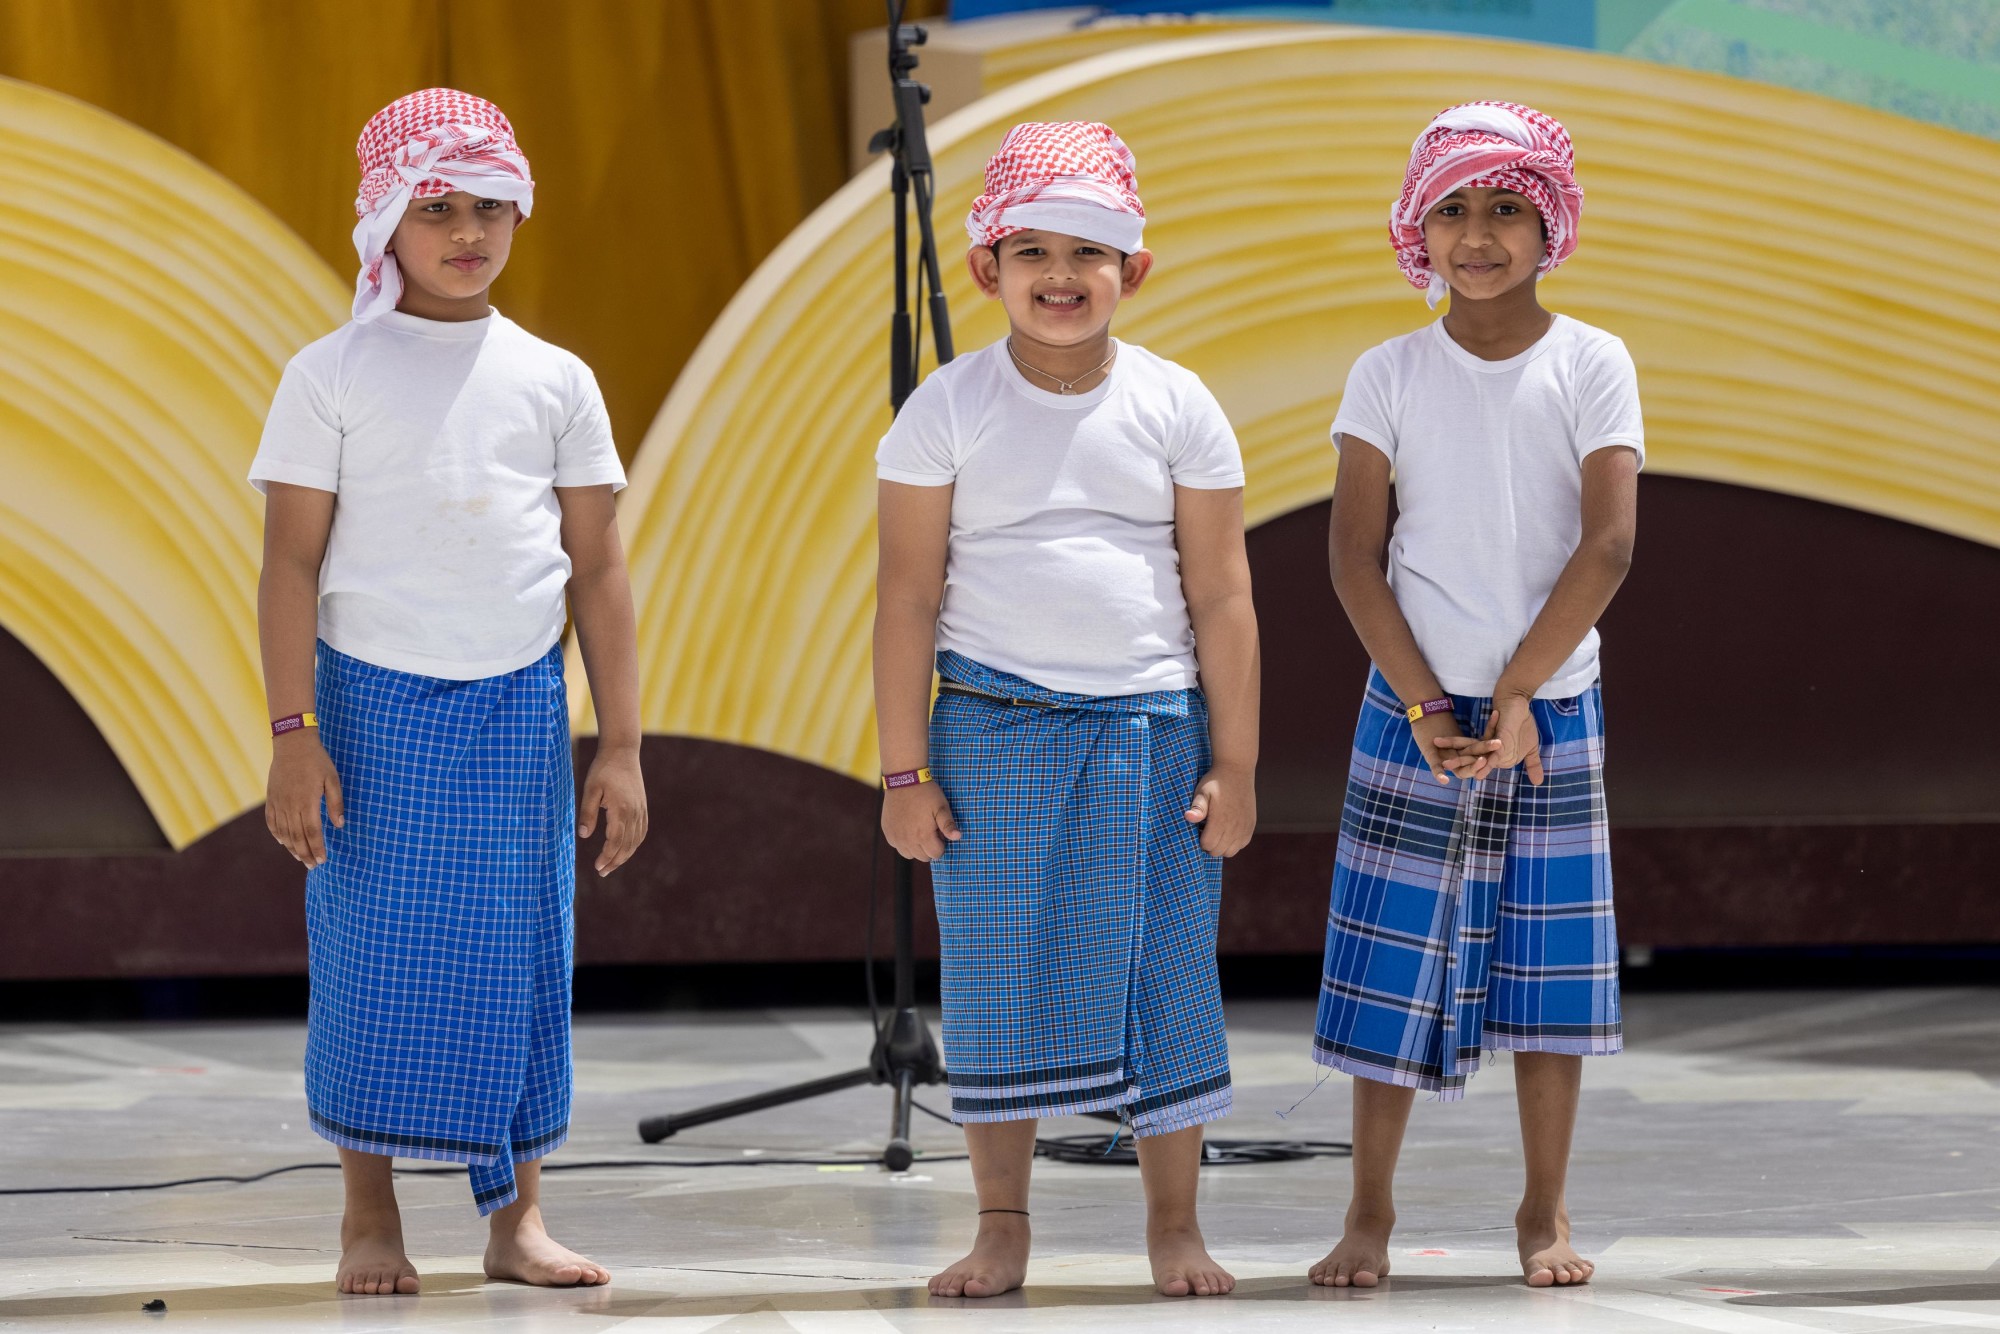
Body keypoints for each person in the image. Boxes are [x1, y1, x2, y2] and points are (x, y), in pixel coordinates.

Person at [251, 88, 647, 1296]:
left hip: (518, 706)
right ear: (383, 222)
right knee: (370, 952)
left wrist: (620, 743)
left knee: (524, 955)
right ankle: (367, 1212)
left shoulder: (555, 377)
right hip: (369, 711)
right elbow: (290, 567)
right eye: (436, 208)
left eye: (488, 206)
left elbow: (598, 569)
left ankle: (514, 1216)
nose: (466, 230)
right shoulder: (327, 375)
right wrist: (291, 734)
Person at [874, 121, 1261, 1301]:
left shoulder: (1177, 402)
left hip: (1152, 732)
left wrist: (1236, 763)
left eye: (1087, 250)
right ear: (986, 266)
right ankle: (1000, 1226)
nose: (1058, 273)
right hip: (990, 731)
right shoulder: (943, 408)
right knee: (995, 983)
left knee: (1165, 976)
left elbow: (1222, 594)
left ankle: (1172, 1226)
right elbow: (905, 595)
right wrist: (902, 773)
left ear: (1131, 270)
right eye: (1029, 248)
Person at [1309, 101, 1641, 1290]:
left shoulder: (1591, 361)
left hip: (1546, 710)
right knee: (1387, 973)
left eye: (1505, 208)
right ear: (1417, 228)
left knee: (1546, 981)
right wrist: (1424, 702)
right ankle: (1367, 1215)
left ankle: (1541, 1211)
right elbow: (1354, 557)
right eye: (1451, 209)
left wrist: (1514, 694)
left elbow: (1605, 545)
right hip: (1411, 709)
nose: (1478, 234)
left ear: (1548, 221)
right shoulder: (1386, 372)